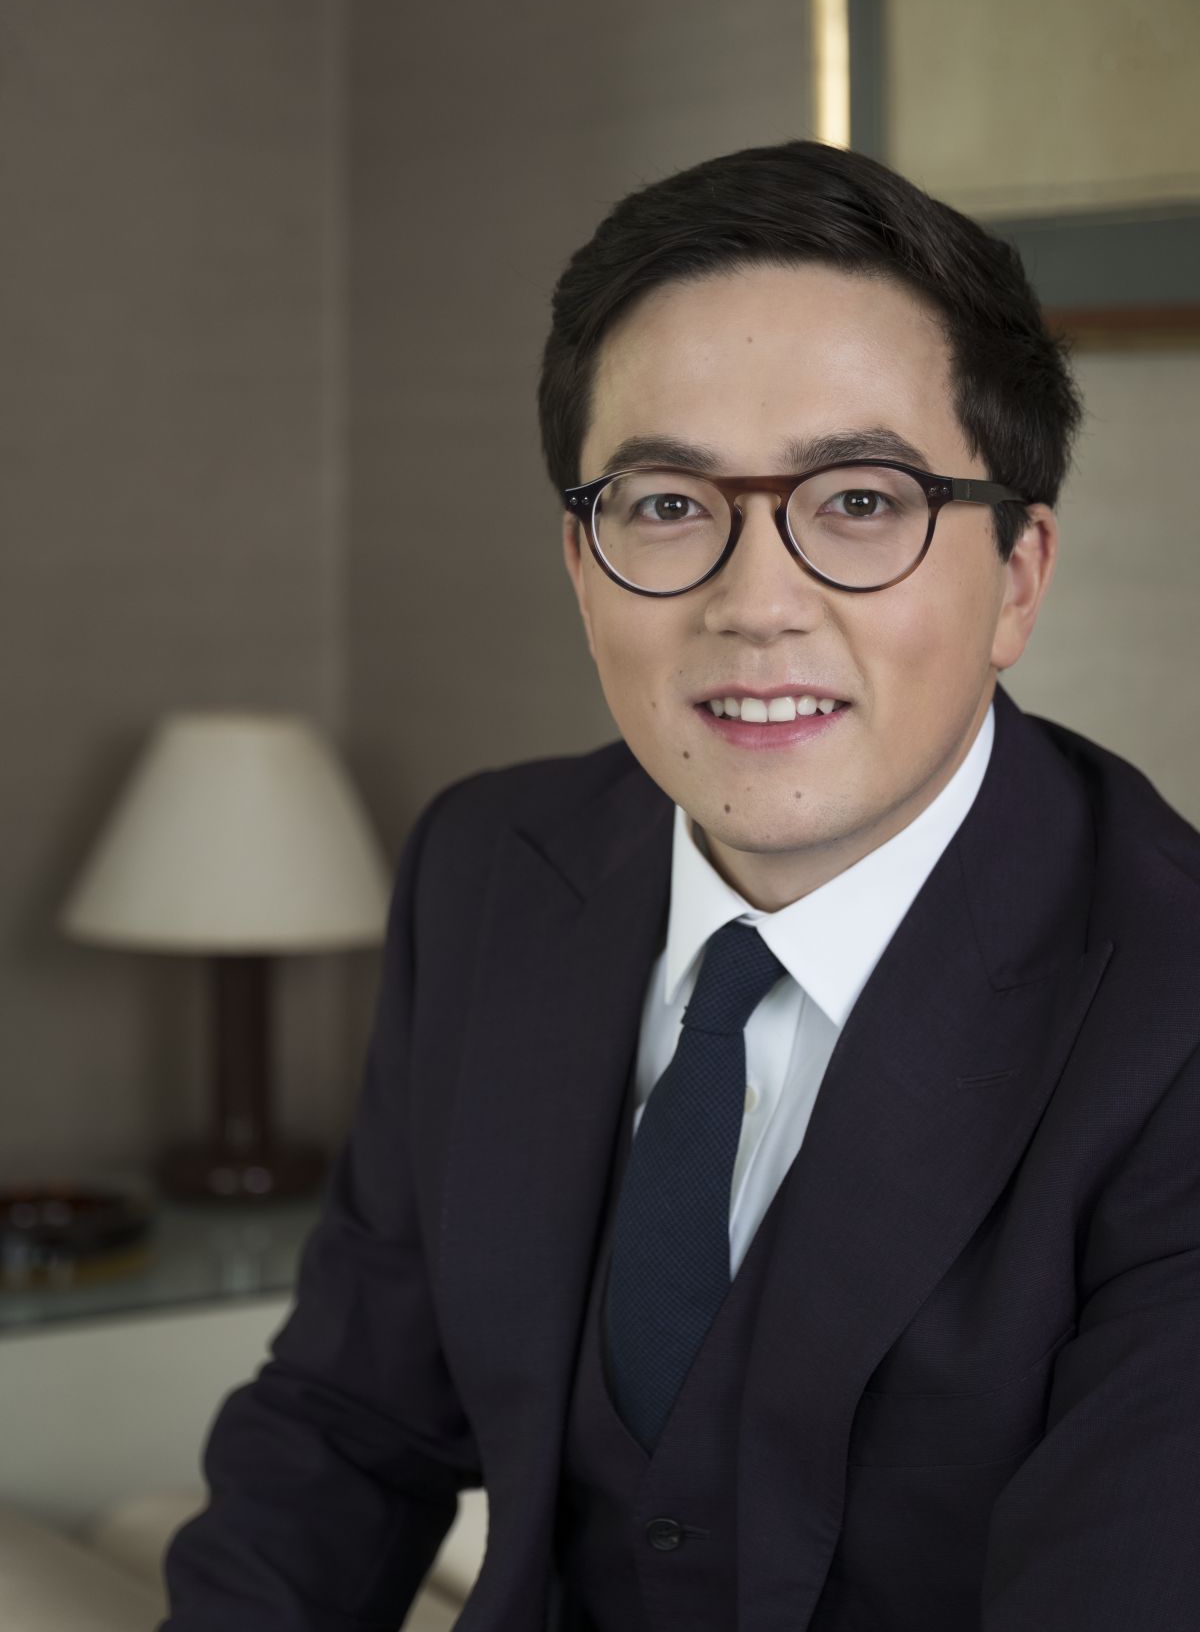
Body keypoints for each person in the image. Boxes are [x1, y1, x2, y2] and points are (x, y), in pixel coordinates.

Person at [160, 140, 1200, 1632]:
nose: (755, 603)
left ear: (1018, 576)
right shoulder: (489, 872)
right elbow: (344, 1429)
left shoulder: (1172, 1009)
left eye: (860, 502)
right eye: (664, 506)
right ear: (580, 564)